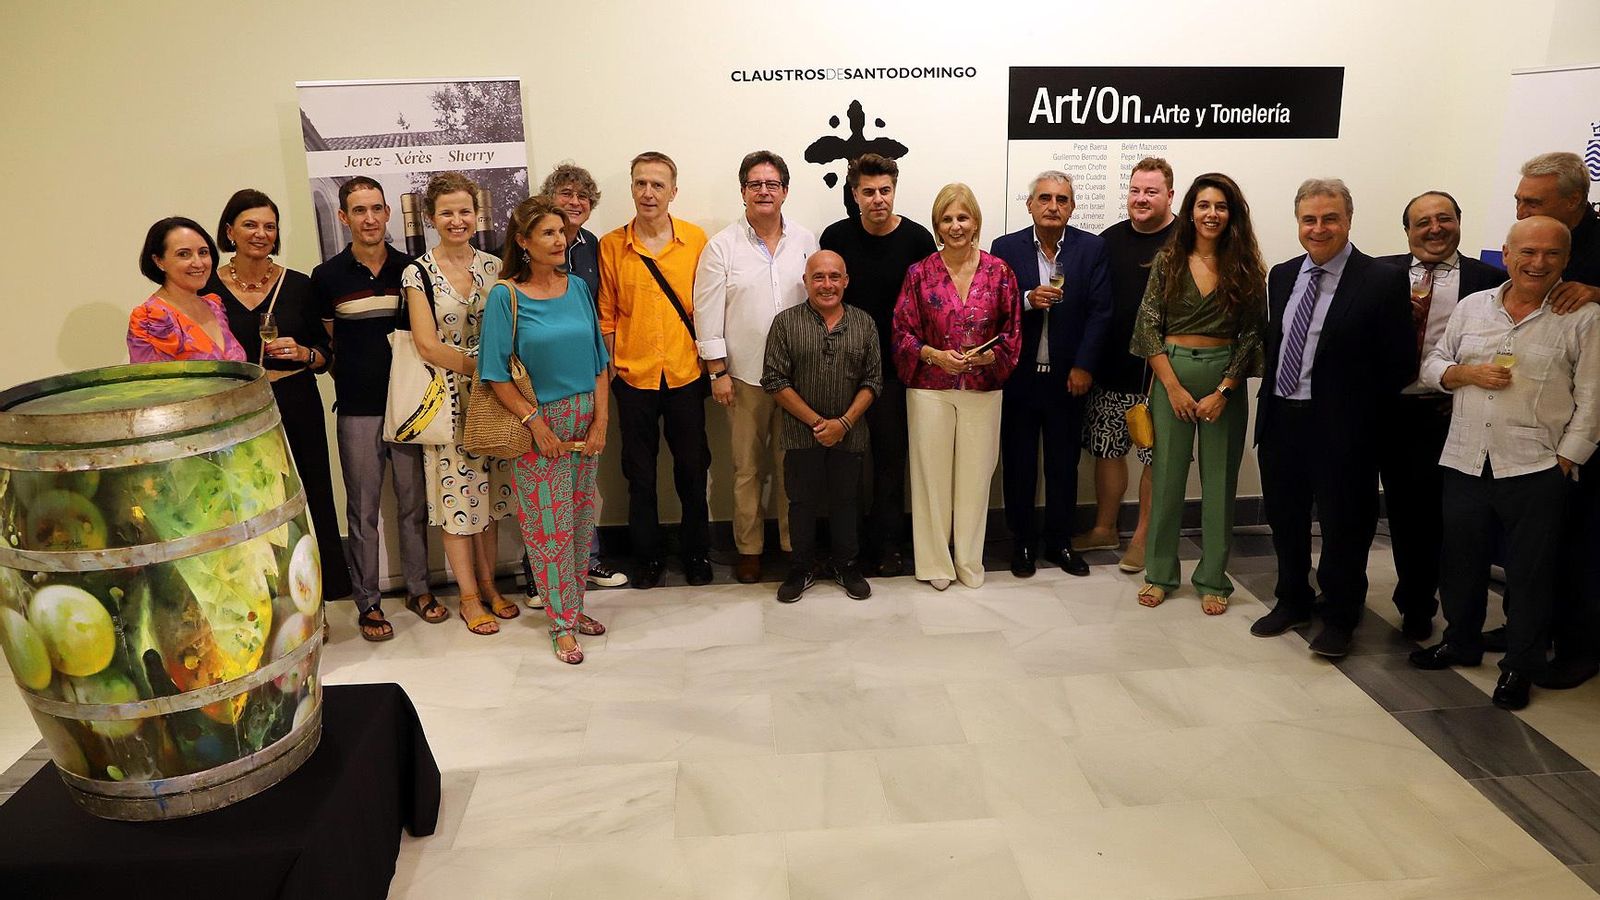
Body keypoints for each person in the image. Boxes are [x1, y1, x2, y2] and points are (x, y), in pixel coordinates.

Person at [1410, 216, 1599, 710]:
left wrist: (1565, 459)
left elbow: (1593, 400)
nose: (1538, 263)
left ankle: (1520, 665)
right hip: (1465, 457)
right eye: (1527, 252)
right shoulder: (1474, 307)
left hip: (1536, 467)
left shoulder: (1583, 319)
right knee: (1461, 561)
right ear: (1506, 254)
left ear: (1566, 259)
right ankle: (1461, 641)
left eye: (1551, 254)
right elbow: (1431, 364)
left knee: (1531, 574)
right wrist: (1461, 373)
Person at [1251, 178, 1414, 658]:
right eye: (1309, 219)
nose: (1318, 228)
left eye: (1330, 218)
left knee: (1345, 525)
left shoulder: (1380, 279)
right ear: (1298, 223)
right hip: (1282, 417)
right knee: (1285, 518)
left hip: (1343, 427)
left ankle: (1341, 614)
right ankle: (1293, 600)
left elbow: (1400, 362)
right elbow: (1277, 342)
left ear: (1348, 220)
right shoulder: (1281, 275)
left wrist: (1355, 410)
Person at [480, 196, 611, 664]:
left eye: (563, 232)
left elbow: (599, 360)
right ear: (523, 242)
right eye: (549, 233)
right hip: (538, 420)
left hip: (585, 416)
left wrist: (601, 420)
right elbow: (494, 372)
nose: (561, 240)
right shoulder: (505, 296)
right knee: (546, 529)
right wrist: (535, 424)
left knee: (578, 523)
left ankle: (573, 610)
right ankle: (560, 625)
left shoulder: (577, 287)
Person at [1129, 173, 1266, 615]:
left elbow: (1252, 334)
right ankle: (1160, 574)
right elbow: (1147, 327)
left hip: (1224, 384)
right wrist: (1172, 387)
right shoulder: (1168, 261)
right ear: (1190, 210)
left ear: (1232, 215)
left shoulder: (1245, 267)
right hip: (1172, 382)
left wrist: (1224, 390)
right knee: (1166, 481)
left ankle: (1212, 578)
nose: (1212, 214)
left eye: (1221, 206)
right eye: (1204, 205)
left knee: (1220, 485)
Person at [208, 189, 352, 606]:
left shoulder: (300, 285)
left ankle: (315, 601)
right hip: (239, 410)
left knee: (308, 497)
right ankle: (261, 602)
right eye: (250, 224)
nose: (261, 233)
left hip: (296, 400)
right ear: (229, 230)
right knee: (248, 503)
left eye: (269, 226)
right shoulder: (208, 289)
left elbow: (327, 356)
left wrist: (305, 353)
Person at [1373, 191, 1505, 641]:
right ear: (1407, 231)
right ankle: (1415, 605)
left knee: (1459, 520)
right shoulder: (1378, 275)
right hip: (1396, 412)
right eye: (1422, 222)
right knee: (1408, 517)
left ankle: (1463, 615)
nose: (1434, 229)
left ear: (1458, 222)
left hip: (1458, 413)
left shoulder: (1491, 280)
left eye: (1443, 219)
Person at [311, 177, 436, 642]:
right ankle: (368, 603)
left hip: (409, 407)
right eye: (358, 210)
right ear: (344, 217)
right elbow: (328, 342)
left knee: (412, 504)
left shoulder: (412, 270)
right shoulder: (327, 277)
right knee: (362, 511)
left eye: (376, 209)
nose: (369, 218)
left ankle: (420, 589)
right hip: (358, 410)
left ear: (387, 214)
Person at [401, 172, 517, 635]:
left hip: (495, 401)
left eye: (464, 211)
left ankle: (490, 586)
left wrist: (499, 377)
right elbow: (427, 346)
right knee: (458, 503)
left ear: (477, 215)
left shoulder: (495, 266)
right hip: (448, 402)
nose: (457, 219)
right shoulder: (418, 272)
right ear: (431, 218)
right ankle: (467, 596)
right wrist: (483, 368)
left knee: (489, 498)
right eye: (447, 212)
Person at [695, 151, 818, 583]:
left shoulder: (806, 241)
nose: (763, 191)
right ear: (743, 190)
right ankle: (749, 548)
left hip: (799, 379)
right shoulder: (722, 246)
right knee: (747, 469)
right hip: (744, 378)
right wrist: (717, 371)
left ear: (785, 190)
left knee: (793, 468)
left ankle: (791, 546)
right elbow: (707, 313)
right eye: (754, 184)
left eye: (772, 184)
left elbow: (821, 301)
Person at [892, 183, 1021, 590]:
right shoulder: (919, 273)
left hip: (983, 388)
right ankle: (934, 564)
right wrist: (934, 354)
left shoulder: (999, 272)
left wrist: (990, 357)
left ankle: (968, 560)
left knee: (976, 478)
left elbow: (1012, 331)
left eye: (962, 217)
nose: (955, 225)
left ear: (976, 221)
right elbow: (901, 332)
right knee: (931, 478)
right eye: (947, 219)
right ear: (936, 226)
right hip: (930, 387)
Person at [598, 151, 713, 589]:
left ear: (673, 192)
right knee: (639, 476)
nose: (648, 193)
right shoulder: (613, 245)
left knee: (692, 470)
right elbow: (607, 314)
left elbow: (707, 307)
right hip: (634, 378)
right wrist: (612, 373)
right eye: (640, 183)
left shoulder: (696, 240)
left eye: (657, 185)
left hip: (686, 374)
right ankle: (647, 557)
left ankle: (697, 552)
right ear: (631, 188)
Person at [819, 154, 936, 577]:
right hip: (843, 368)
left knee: (890, 461)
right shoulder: (836, 237)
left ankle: (888, 545)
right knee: (845, 461)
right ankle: (845, 547)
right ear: (854, 195)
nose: (877, 199)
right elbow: (825, 298)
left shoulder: (918, 240)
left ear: (894, 191)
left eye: (885, 190)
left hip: (897, 370)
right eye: (868, 191)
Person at [990, 171, 1110, 578]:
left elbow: (1100, 312)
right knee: (1019, 463)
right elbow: (995, 307)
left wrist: (1083, 365)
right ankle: (1022, 541)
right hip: (1019, 378)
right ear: (1030, 205)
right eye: (1044, 198)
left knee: (1063, 464)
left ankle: (1059, 541)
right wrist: (1027, 299)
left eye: (1061, 199)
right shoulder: (1005, 248)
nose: (1053, 206)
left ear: (1072, 207)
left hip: (1068, 378)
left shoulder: (1091, 249)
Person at [1511, 151, 1600, 690]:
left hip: (1589, 428)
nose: (1521, 209)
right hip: (1538, 423)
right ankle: (1529, 630)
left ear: (1575, 201)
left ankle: (1579, 646)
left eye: (1533, 201)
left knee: (1582, 541)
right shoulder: (1527, 246)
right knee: (1534, 540)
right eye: (1519, 200)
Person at [762, 250, 881, 602]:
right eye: (818, 277)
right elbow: (773, 380)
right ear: (806, 281)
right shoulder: (785, 323)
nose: (826, 285)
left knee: (847, 501)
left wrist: (843, 423)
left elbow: (873, 381)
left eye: (834, 277)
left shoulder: (864, 323)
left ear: (846, 281)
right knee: (801, 502)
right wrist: (818, 423)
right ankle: (801, 568)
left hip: (851, 433)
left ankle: (847, 565)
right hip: (801, 434)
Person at [1076, 158, 1177, 573]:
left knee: (1157, 459)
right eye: (1135, 190)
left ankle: (1143, 538)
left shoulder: (1186, 241)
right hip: (1112, 369)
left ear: (1171, 195)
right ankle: (1104, 527)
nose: (1141, 199)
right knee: (1107, 451)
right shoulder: (1108, 240)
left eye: (1151, 192)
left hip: (1163, 375)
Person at [531, 162, 627, 594]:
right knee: (543, 488)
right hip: (540, 385)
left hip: (589, 379)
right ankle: (540, 577)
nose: (574, 203)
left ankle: (586, 562)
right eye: (566, 194)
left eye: (583, 197)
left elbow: (602, 310)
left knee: (584, 482)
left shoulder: (593, 247)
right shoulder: (527, 251)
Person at [129, 218, 245, 363]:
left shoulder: (214, 306)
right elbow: (152, 383)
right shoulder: (152, 319)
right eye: (184, 254)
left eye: (203, 252)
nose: (198, 263)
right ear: (159, 261)